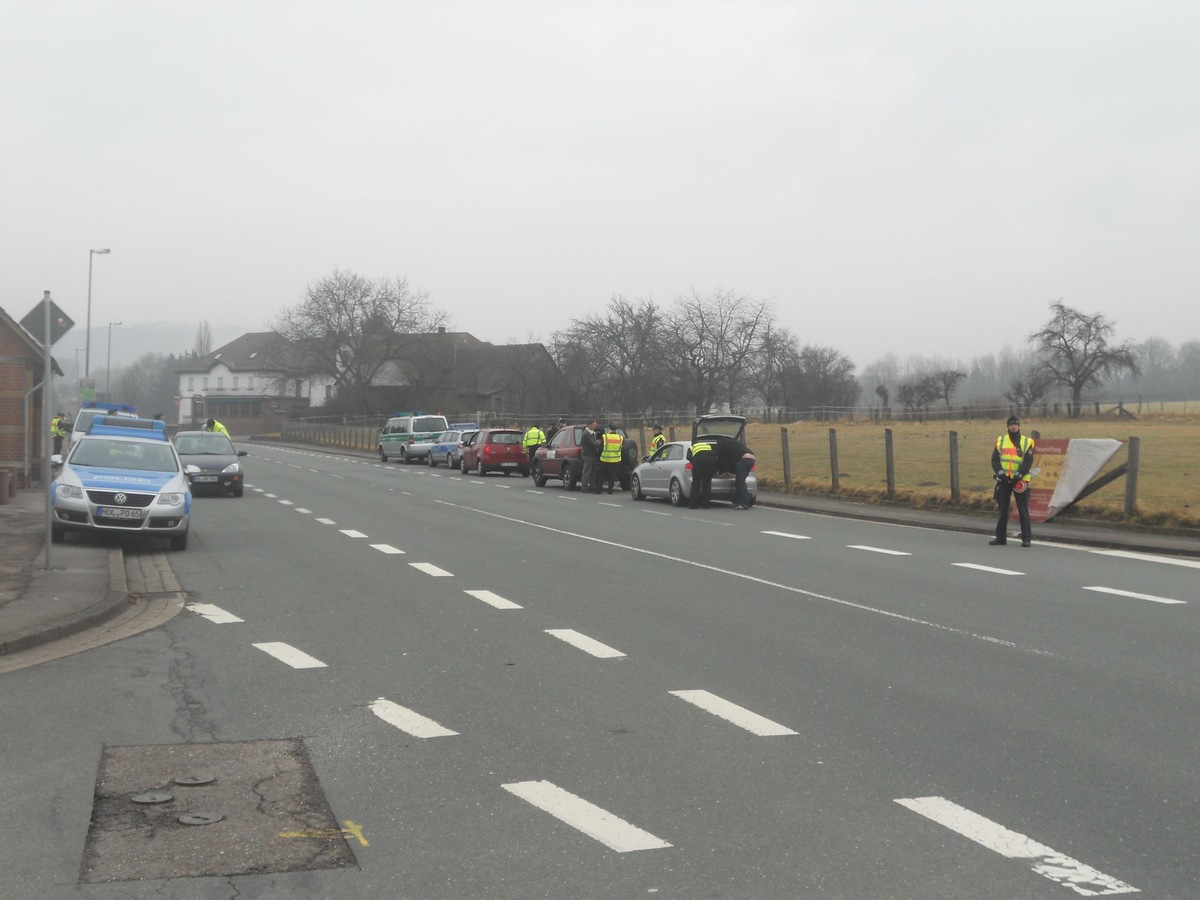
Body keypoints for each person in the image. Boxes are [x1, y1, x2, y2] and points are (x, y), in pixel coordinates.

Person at [990, 414, 1035, 547]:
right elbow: (995, 460)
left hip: (1020, 481)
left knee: (1023, 510)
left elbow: (1028, 462)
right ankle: (1000, 538)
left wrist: (1018, 476)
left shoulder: (1027, 442)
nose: (1014, 427)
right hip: (1004, 480)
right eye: (1011, 424)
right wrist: (1002, 475)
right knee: (1003, 509)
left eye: (1016, 424)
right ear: (1008, 426)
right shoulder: (1001, 441)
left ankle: (1026, 538)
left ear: (1019, 426)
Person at [717, 437, 756, 509]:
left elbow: (719, 457)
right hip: (751, 459)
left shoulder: (722, 444)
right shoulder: (734, 443)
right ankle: (737, 502)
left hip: (744, 460)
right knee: (738, 482)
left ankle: (744, 503)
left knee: (740, 482)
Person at [687, 439, 716, 509]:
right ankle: (706, 504)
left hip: (698, 461)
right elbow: (714, 455)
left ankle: (693, 505)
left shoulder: (692, 447)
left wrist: (694, 462)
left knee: (696, 483)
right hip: (709, 461)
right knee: (707, 483)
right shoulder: (708, 446)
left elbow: (688, 457)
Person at [599, 425, 624, 494]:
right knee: (612, 475)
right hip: (616, 460)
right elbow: (622, 448)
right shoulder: (620, 438)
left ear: (609, 429)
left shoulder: (605, 437)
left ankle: (598, 490)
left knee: (602, 475)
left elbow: (600, 447)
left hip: (605, 459)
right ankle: (610, 490)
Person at [580, 418, 600, 493]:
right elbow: (592, 443)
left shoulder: (593, 433)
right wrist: (598, 443)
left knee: (593, 471)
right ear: (589, 425)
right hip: (587, 455)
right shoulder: (586, 434)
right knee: (587, 471)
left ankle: (592, 485)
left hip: (593, 455)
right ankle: (584, 486)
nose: (595, 426)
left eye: (595, 424)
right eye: (593, 424)